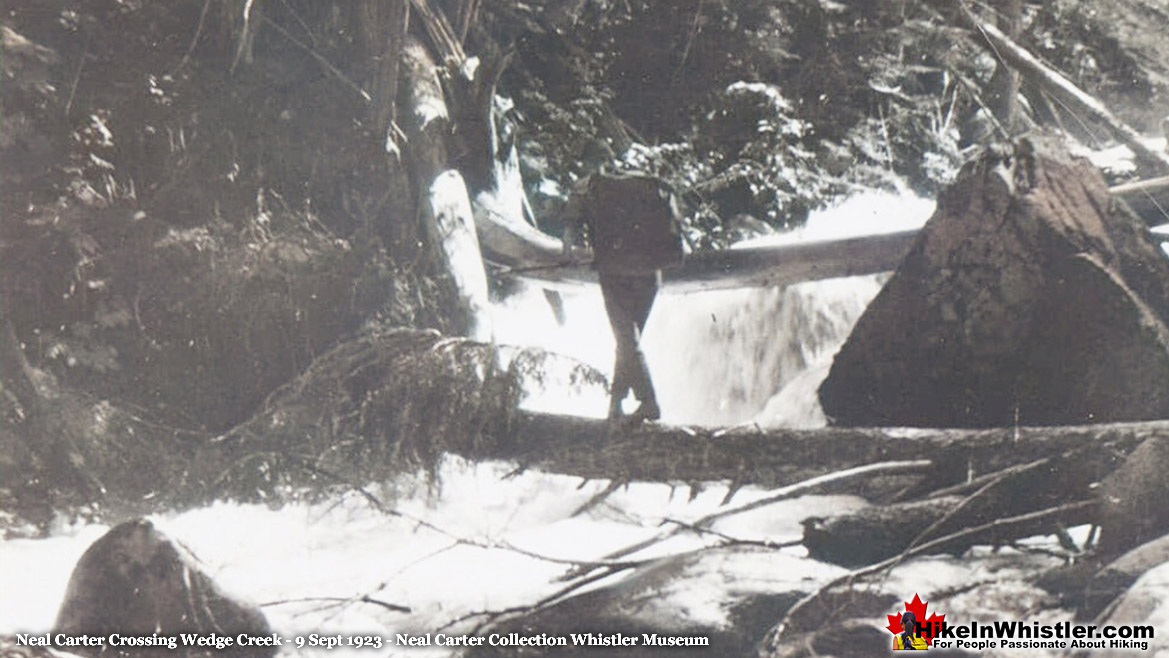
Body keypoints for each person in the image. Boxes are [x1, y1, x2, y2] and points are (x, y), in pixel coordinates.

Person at [563, 172, 684, 421]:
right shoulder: (654, 185)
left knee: (626, 338)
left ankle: (648, 401)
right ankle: (615, 405)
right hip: (650, 273)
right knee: (629, 341)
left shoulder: (587, 189)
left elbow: (570, 236)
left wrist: (571, 256)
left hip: (614, 272)